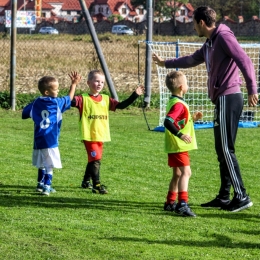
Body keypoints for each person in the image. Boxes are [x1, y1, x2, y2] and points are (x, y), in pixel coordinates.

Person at [152, 6, 258, 212]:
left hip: (230, 96)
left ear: (201, 23)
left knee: (227, 149)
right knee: (221, 150)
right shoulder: (210, 43)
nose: (193, 28)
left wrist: (252, 89)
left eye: (193, 24)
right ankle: (224, 196)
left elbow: (244, 60)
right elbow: (191, 59)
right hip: (221, 99)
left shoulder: (224, 37)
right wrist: (166, 63)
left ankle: (242, 196)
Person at [71, 69, 144, 194]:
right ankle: (97, 185)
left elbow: (121, 105)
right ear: (88, 83)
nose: (99, 84)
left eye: (102, 82)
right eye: (96, 81)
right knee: (96, 160)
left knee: (94, 159)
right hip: (89, 135)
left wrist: (135, 94)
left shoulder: (106, 99)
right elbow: (69, 100)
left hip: (101, 135)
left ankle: (86, 181)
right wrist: (73, 85)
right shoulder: (83, 99)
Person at [22, 72, 82, 195]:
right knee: (50, 164)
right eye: (56, 89)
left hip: (38, 139)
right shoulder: (56, 103)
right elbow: (70, 98)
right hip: (50, 139)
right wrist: (74, 84)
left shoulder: (36, 102)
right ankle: (47, 186)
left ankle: (40, 184)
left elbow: (24, 114)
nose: (58, 91)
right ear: (47, 92)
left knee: (42, 162)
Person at [163, 70, 202, 217]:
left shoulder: (175, 101)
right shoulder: (178, 104)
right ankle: (182, 204)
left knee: (178, 174)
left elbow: (179, 121)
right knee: (187, 172)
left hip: (174, 145)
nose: (188, 85)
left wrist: (192, 118)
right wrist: (180, 135)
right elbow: (168, 121)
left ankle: (169, 202)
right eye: (186, 83)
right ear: (181, 87)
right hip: (179, 146)